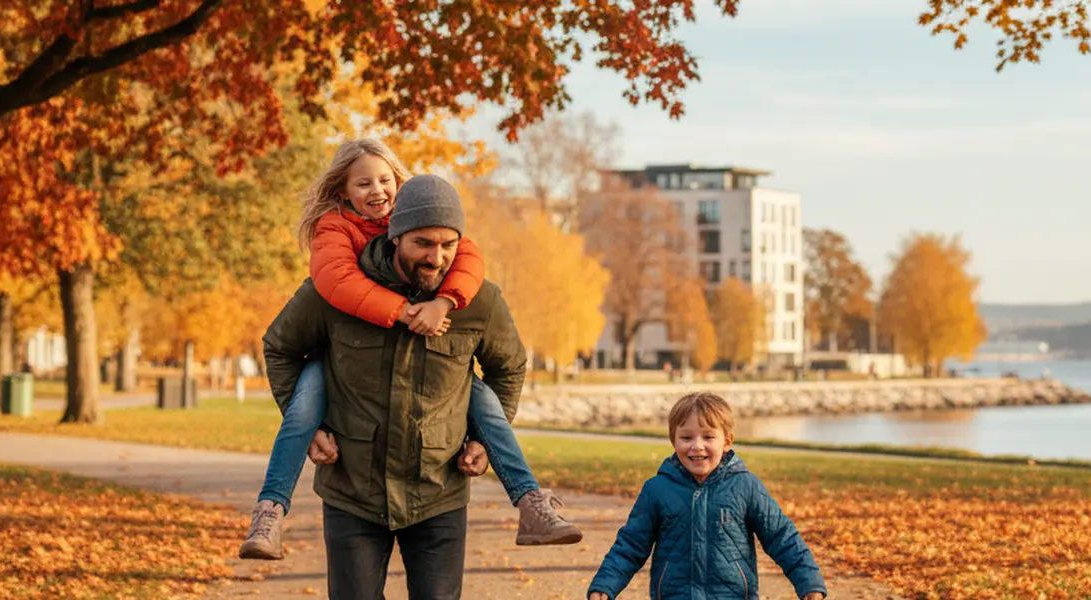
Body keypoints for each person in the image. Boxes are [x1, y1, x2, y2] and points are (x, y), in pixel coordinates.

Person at [239, 141, 581, 559]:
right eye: (363, 183)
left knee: (480, 397)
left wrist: (446, 301)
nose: (376, 191)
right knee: (304, 402)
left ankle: (530, 500)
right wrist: (402, 311)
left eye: (385, 180)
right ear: (344, 191)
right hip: (342, 407)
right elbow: (335, 284)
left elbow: (471, 262)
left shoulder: (432, 234)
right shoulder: (334, 232)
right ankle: (271, 507)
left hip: (438, 491)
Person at [262, 174, 539, 598]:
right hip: (351, 490)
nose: (437, 258)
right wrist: (309, 427)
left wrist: (481, 441)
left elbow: (509, 368)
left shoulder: (479, 301)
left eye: (448, 245)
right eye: (424, 244)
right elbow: (280, 348)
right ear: (395, 236)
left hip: (438, 493)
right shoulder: (334, 292)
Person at [587, 392, 828, 600]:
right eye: (686, 437)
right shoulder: (657, 490)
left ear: (727, 442)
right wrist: (605, 585)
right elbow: (630, 544)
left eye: (708, 437)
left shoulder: (746, 486)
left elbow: (781, 537)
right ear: (674, 441)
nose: (697, 446)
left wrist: (809, 582)